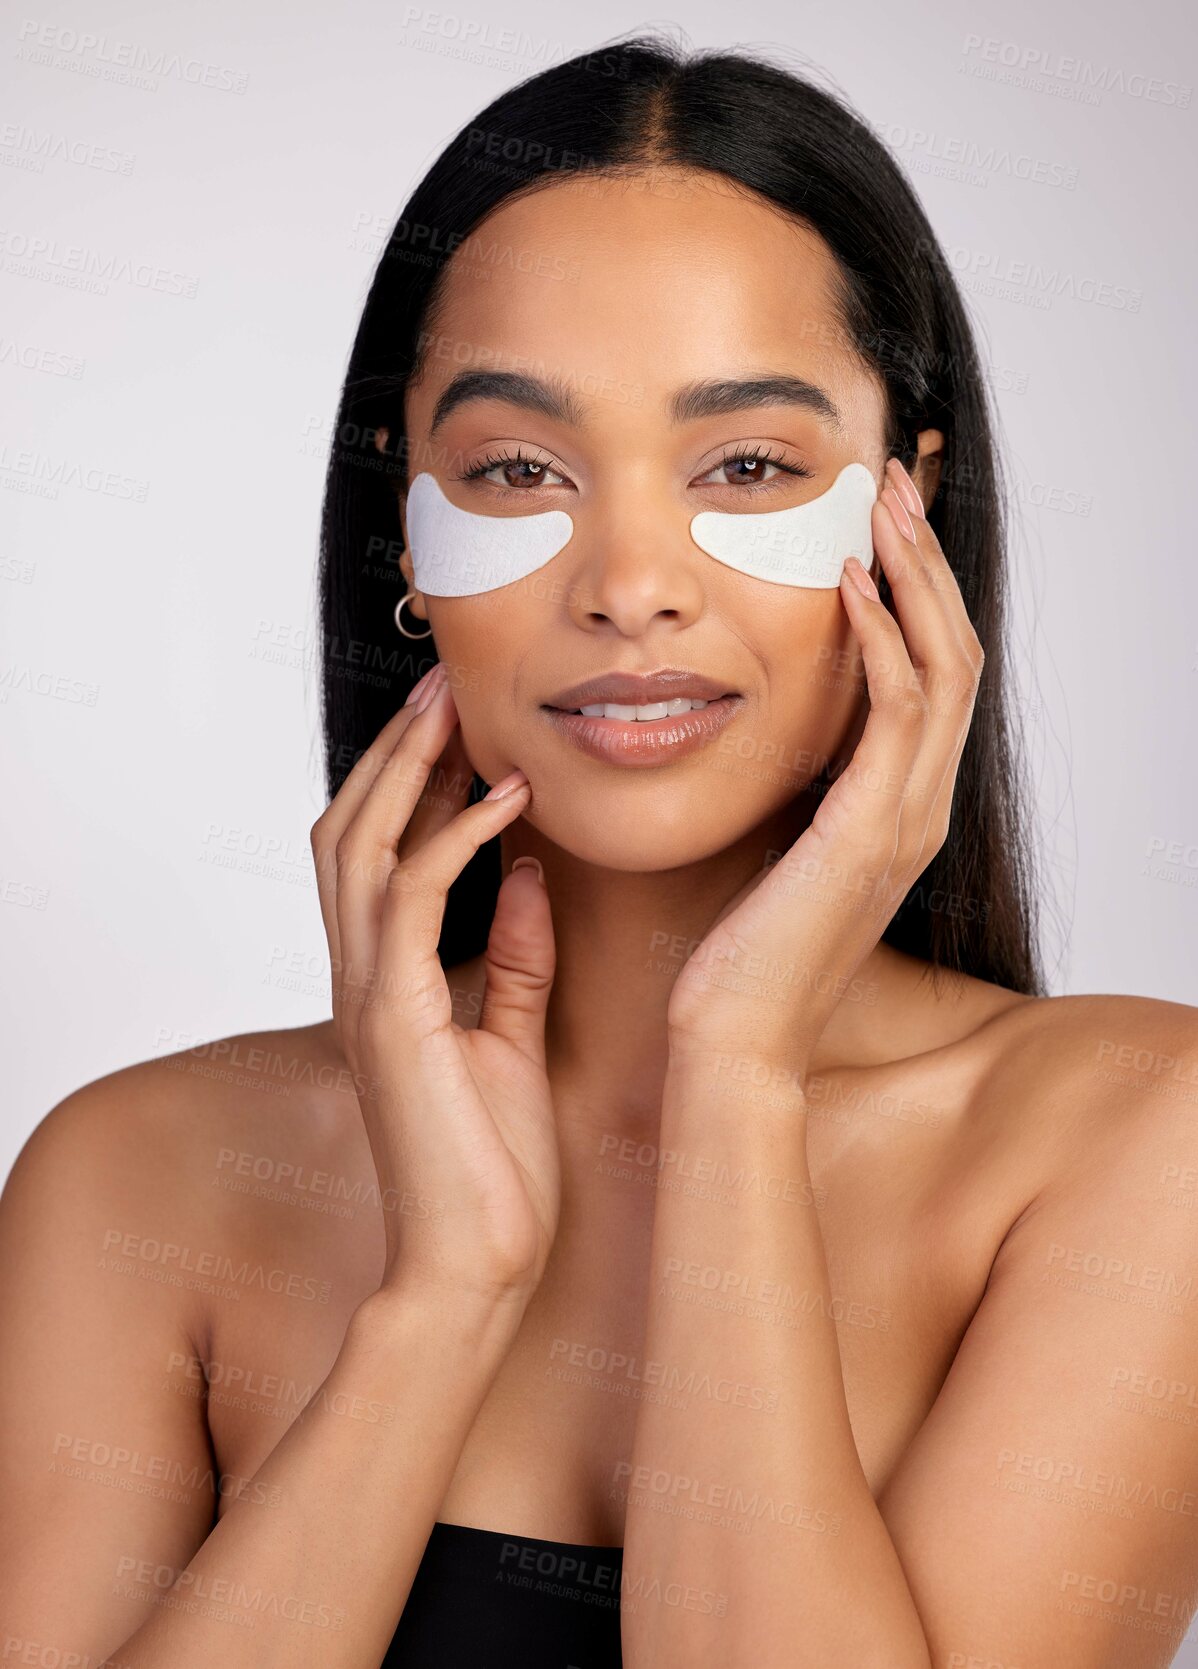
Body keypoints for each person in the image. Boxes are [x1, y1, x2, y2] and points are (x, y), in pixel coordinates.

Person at [3, 32, 1196, 1669]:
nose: (629, 578)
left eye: (750, 466)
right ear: (406, 528)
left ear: (905, 509)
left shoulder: (1138, 1139)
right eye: (515, 469)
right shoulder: (137, 1173)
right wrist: (439, 1303)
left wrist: (735, 1067)